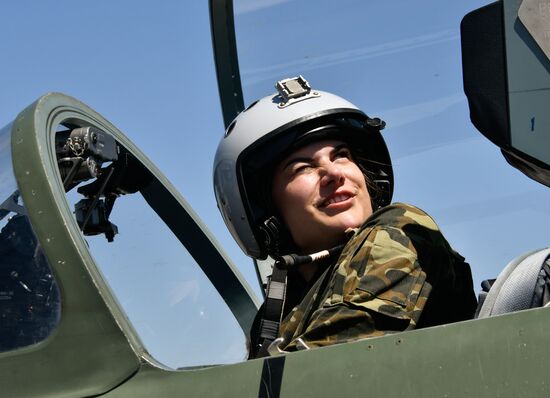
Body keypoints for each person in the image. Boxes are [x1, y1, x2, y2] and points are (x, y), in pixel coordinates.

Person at [213, 76, 477, 358]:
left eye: (341, 155)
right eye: (302, 167)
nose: (335, 173)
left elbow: (325, 371)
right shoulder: (278, 311)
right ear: (265, 209)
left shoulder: (400, 230)